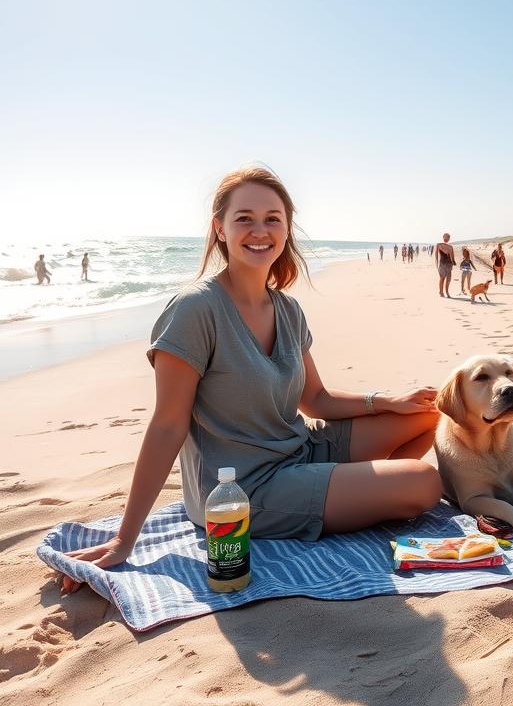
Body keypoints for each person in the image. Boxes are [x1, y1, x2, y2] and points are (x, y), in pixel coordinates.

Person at [56, 167, 442, 595]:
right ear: (219, 228)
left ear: (287, 229)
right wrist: (123, 539)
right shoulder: (194, 310)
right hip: (239, 488)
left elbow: (315, 399)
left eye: (272, 219)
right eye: (245, 218)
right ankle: (344, 498)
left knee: (427, 418)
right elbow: (167, 426)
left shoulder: (288, 310)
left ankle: (345, 495)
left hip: (299, 449)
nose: (260, 231)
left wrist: (389, 401)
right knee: (423, 482)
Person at [435, 233, 456, 298]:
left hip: (449, 264)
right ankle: (441, 292)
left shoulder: (450, 247)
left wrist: (454, 262)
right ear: (443, 237)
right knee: (442, 278)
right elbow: (436, 256)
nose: (447, 239)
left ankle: (447, 291)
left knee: (449, 279)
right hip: (442, 264)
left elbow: (452, 257)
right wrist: (436, 264)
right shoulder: (439, 245)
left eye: (448, 238)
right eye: (446, 237)